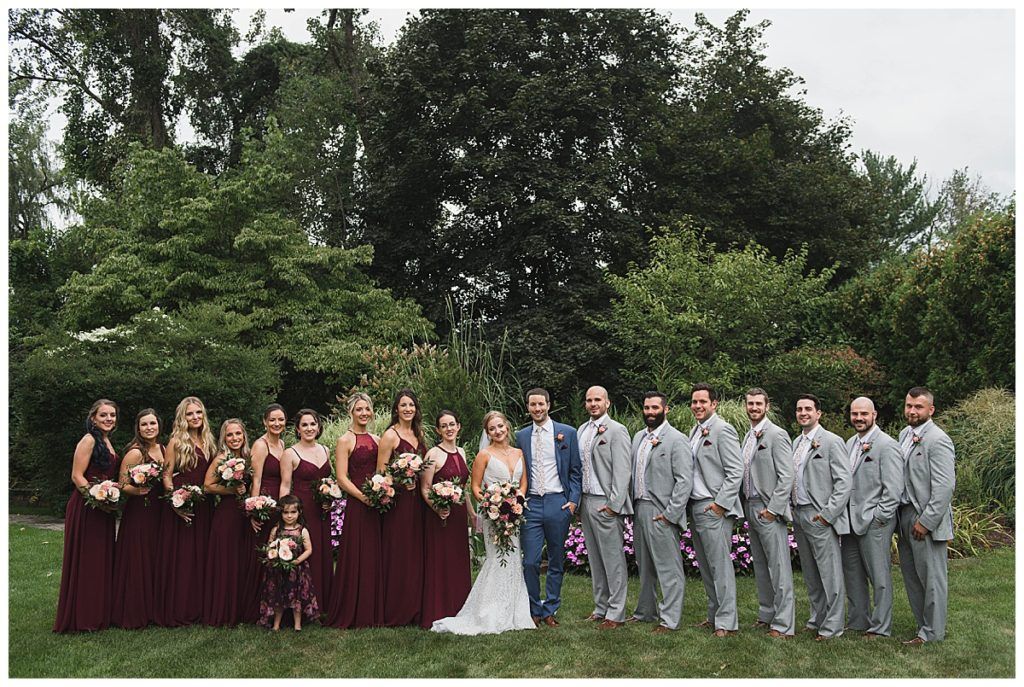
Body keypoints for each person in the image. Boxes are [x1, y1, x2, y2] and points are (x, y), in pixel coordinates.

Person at [432, 410, 535, 635]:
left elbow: (524, 482)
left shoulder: (519, 452)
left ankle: (514, 610)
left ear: (507, 426)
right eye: (492, 429)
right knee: (497, 558)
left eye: (500, 426)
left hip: (514, 514)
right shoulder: (484, 455)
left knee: (514, 557)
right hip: (494, 515)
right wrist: (492, 505)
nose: (497, 431)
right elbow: (475, 487)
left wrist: (516, 501)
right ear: (487, 433)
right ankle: (488, 610)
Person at [627, 391, 692, 634]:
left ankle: (670, 619)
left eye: (655, 407)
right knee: (644, 566)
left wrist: (671, 513)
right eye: (646, 408)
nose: (650, 412)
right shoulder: (638, 437)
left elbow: (684, 481)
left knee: (668, 568)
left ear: (666, 409)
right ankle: (645, 611)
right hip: (639, 508)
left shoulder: (677, 439)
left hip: (661, 511)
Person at [54, 399, 121, 633]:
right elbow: (77, 476)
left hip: (103, 507)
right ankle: (84, 617)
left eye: (112, 415)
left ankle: (99, 612)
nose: (109, 419)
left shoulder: (106, 440)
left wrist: (108, 499)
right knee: (88, 560)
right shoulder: (89, 439)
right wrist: (97, 499)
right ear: (93, 418)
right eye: (103, 415)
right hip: (86, 507)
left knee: (101, 560)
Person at [517, 388, 582, 627]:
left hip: (558, 502)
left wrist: (573, 502)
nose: (537, 409)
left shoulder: (567, 433)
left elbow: (576, 471)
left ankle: (551, 608)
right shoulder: (521, 436)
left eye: (541, 404)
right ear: (528, 407)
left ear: (548, 405)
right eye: (532, 405)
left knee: (556, 559)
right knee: (531, 561)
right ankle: (534, 608)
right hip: (531, 504)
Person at [790, 393, 852, 641]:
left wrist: (827, 515)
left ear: (818, 413)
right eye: (799, 409)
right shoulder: (796, 442)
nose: (803, 413)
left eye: (808, 409)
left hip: (819, 516)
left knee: (829, 572)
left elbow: (844, 483)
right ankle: (817, 617)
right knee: (810, 572)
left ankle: (833, 625)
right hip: (799, 514)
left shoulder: (832, 441)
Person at [897, 387, 955, 645]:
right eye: (909, 405)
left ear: (931, 410)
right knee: (912, 576)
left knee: (931, 578)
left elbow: (945, 486)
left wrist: (926, 521)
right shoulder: (904, 435)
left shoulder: (938, 439)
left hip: (925, 519)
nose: (912, 411)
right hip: (905, 515)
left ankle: (933, 632)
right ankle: (923, 627)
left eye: (918, 407)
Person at [841, 396, 903, 639]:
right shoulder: (849, 444)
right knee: (853, 574)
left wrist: (879, 517)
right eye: (855, 414)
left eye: (863, 414)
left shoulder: (886, 445)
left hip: (874, 522)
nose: (859, 418)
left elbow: (894, 489)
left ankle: (881, 626)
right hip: (849, 522)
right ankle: (858, 620)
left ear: (874, 415)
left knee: (880, 577)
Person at [153, 396, 217, 627]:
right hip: (184, 505)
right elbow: (166, 476)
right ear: (183, 417)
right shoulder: (176, 442)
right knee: (184, 558)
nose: (195, 417)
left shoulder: (209, 440)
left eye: (198, 413)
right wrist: (175, 502)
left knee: (202, 557)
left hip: (205, 504)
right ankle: (179, 608)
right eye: (190, 414)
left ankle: (200, 608)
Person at [687, 382, 744, 637]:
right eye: (694, 402)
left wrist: (720, 504)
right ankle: (714, 615)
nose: (698, 406)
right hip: (696, 506)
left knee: (720, 566)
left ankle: (727, 622)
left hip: (714, 506)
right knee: (706, 566)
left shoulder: (723, 430)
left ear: (714, 404)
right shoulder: (694, 431)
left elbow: (736, 471)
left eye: (703, 402)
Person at [324, 393, 385, 628]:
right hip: (358, 505)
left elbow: (382, 470)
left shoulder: (377, 439)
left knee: (374, 555)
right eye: (359, 409)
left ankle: (374, 609)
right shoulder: (344, 441)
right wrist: (362, 497)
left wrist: (381, 492)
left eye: (367, 409)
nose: (364, 413)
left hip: (377, 503)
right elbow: (341, 478)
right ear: (351, 412)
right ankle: (354, 609)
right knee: (357, 555)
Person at [740, 388, 796, 639]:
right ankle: (767, 614)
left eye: (758, 404)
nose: (753, 407)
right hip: (750, 506)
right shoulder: (748, 436)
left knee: (778, 567)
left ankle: (784, 623)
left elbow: (787, 476)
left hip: (767, 508)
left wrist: (773, 509)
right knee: (761, 565)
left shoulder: (777, 434)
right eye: (750, 403)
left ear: (767, 406)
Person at [576, 386, 633, 629]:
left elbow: (623, 470)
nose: (593, 404)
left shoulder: (617, 430)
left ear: (607, 403)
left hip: (605, 502)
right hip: (587, 500)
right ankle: (600, 607)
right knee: (596, 559)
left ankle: (616, 613)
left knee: (612, 559)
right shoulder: (581, 430)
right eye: (589, 400)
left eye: (597, 399)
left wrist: (614, 505)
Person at [376, 389, 428, 626]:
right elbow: (381, 473)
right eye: (403, 405)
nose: (408, 409)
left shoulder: (419, 433)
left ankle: (415, 607)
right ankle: (396, 609)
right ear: (396, 409)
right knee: (399, 553)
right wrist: (400, 481)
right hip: (399, 502)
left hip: (419, 501)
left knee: (416, 553)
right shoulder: (390, 435)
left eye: (411, 405)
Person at [202, 419, 261, 626]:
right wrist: (231, 490)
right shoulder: (221, 457)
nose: (235, 438)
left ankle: (241, 610)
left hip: (243, 514)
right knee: (226, 562)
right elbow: (208, 486)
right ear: (224, 438)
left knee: (242, 562)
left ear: (244, 435)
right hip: (227, 515)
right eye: (230, 435)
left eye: (238, 434)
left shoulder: (246, 457)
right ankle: (223, 612)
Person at [111, 408, 165, 629]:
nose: (149, 428)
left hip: (159, 509)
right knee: (137, 557)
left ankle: (153, 608)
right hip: (140, 511)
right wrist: (138, 490)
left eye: (152, 423)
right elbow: (122, 484)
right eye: (144, 424)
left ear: (159, 425)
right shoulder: (135, 452)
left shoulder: (163, 448)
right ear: (138, 428)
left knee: (154, 557)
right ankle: (133, 610)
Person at [419, 409, 472, 628]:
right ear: (438, 430)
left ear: (458, 426)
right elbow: (425, 488)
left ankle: (460, 607)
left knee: (458, 561)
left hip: (458, 515)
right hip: (440, 516)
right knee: (441, 562)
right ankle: (439, 609)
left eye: (452, 424)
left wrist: (471, 513)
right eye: (444, 426)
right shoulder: (433, 454)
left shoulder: (462, 451)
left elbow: (463, 488)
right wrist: (437, 508)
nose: (449, 429)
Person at [280, 409, 334, 613]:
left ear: (318, 427)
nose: (309, 428)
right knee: (305, 555)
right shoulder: (290, 453)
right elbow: (285, 487)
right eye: (305, 425)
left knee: (322, 553)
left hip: (323, 511)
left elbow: (329, 482)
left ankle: (324, 602)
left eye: (313, 424)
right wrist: (285, 518)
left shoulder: (325, 450)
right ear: (297, 429)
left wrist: (329, 498)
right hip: (302, 511)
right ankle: (302, 605)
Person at [258, 494, 319, 631]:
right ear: (281, 513)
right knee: (279, 595)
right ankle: (276, 624)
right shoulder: (276, 530)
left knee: (296, 597)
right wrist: (274, 557)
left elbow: (309, 549)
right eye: (286, 512)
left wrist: (297, 561)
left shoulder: (302, 531)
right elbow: (269, 547)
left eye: (293, 512)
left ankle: (297, 625)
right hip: (278, 570)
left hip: (296, 570)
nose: (289, 516)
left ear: (299, 512)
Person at [249, 403, 288, 541]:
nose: (277, 424)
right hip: (264, 503)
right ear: (264, 422)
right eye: (272, 420)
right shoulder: (260, 446)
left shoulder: (282, 444)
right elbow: (255, 480)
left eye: (281, 420)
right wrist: (255, 511)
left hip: (279, 500)